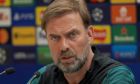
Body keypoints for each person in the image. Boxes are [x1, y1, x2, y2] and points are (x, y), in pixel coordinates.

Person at [27, 0, 135, 84]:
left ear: (90, 34)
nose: (63, 47)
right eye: (55, 38)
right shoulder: (41, 77)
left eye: (72, 35)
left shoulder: (116, 76)